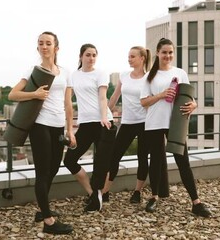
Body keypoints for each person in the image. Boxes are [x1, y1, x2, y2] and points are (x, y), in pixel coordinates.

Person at [8, 31, 74, 234]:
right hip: (40, 125)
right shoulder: (33, 71)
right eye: (41, 43)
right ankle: (48, 221)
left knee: (53, 168)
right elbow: (13, 94)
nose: (44, 46)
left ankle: (42, 208)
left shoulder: (65, 72)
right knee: (42, 172)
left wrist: (70, 129)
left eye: (48, 43)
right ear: (38, 48)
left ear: (56, 47)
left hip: (58, 125)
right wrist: (34, 94)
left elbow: (68, 103)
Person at [139, 38, 212, 217]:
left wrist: (194, 105)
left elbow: (189, 97)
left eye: (170, 52)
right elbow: (143, 102)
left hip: (176, 123)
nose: (168, 55)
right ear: (157, 53)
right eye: (164, 52)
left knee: (183, 161)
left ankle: (196, 202)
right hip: (155, 122)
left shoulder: (180, 73)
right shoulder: (149, 75)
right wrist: (161, 95)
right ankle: (154, 198)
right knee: (155, 162)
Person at [63, 43, 114, 212]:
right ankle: (93, 193)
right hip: (85, 123)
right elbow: (68, 100)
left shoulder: (100, 73)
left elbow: (102, 98)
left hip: (102, 122)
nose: (91, 58)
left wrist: (104, 118)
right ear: (80, 56)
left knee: (101, 162)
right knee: (69, 160)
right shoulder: (73, 76)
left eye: (94, 55)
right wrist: (68, 126)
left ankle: (98, 196)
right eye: (88, 55)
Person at [102, 46, 153, 203]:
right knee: (114, 156)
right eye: (128, 56)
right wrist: (105, 113)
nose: (129, 59)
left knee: (142, 157)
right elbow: (114, 97)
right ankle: (105, 192)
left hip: (145, 122)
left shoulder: (150, 77)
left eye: (132, 56)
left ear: (142, 58)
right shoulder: (124, 76)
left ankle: (137, 192)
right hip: (128, 122)